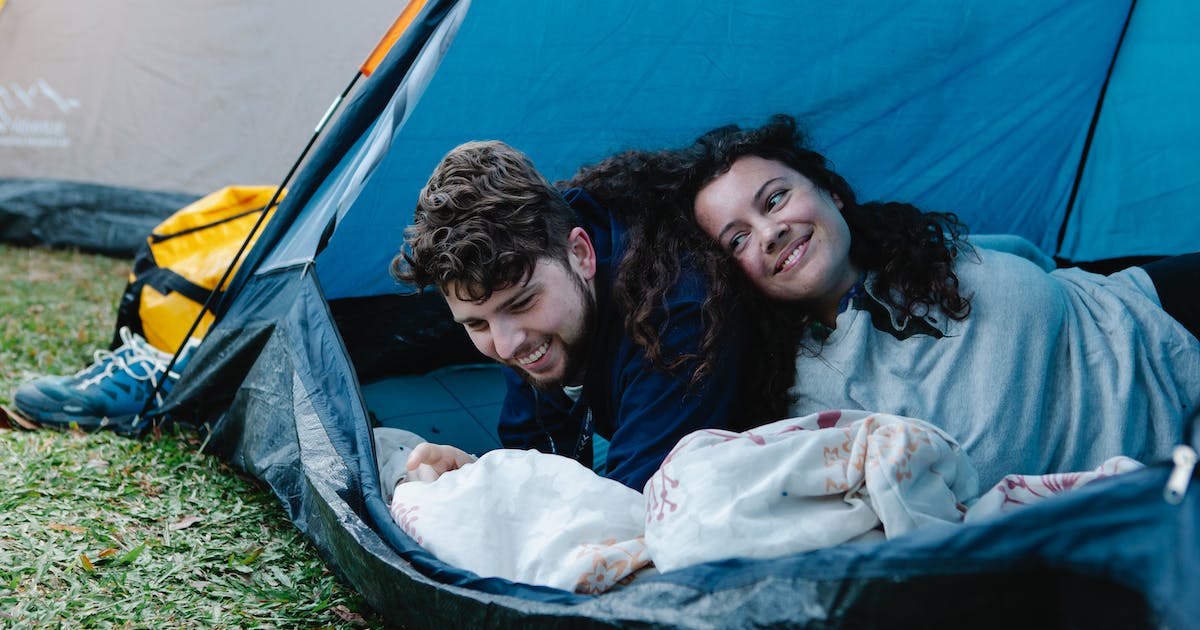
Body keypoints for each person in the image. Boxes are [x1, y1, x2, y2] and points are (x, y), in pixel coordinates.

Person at [595, 114, 1200, 490]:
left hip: (1150, 315)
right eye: (739, 238)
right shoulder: (808, 396)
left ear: (829, 189)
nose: (770, 231)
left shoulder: (932, 246)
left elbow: (1050, 265)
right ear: (736, 277)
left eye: (774, 200)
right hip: (1139, 471)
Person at [389, 140, 765, 491]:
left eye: (521, 304)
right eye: (477, 323)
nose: (505, 345)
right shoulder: (528, 302)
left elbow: (629, 515)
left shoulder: (677, 315)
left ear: (581, 254)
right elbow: (534, 458)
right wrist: (476, 476)